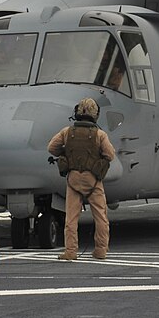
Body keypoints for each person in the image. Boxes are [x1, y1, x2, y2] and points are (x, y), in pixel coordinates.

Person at [47, 97, 116, 261]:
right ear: (95, 114)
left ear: (77, 112)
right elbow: (110, 155)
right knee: (101, 217)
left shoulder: (67, 132)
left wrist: (65, 154)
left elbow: (51, 148)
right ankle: (100, 250)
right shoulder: (100, 134)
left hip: (73, 179)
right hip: (93, 179)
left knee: (71, 218)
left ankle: (70, 251)